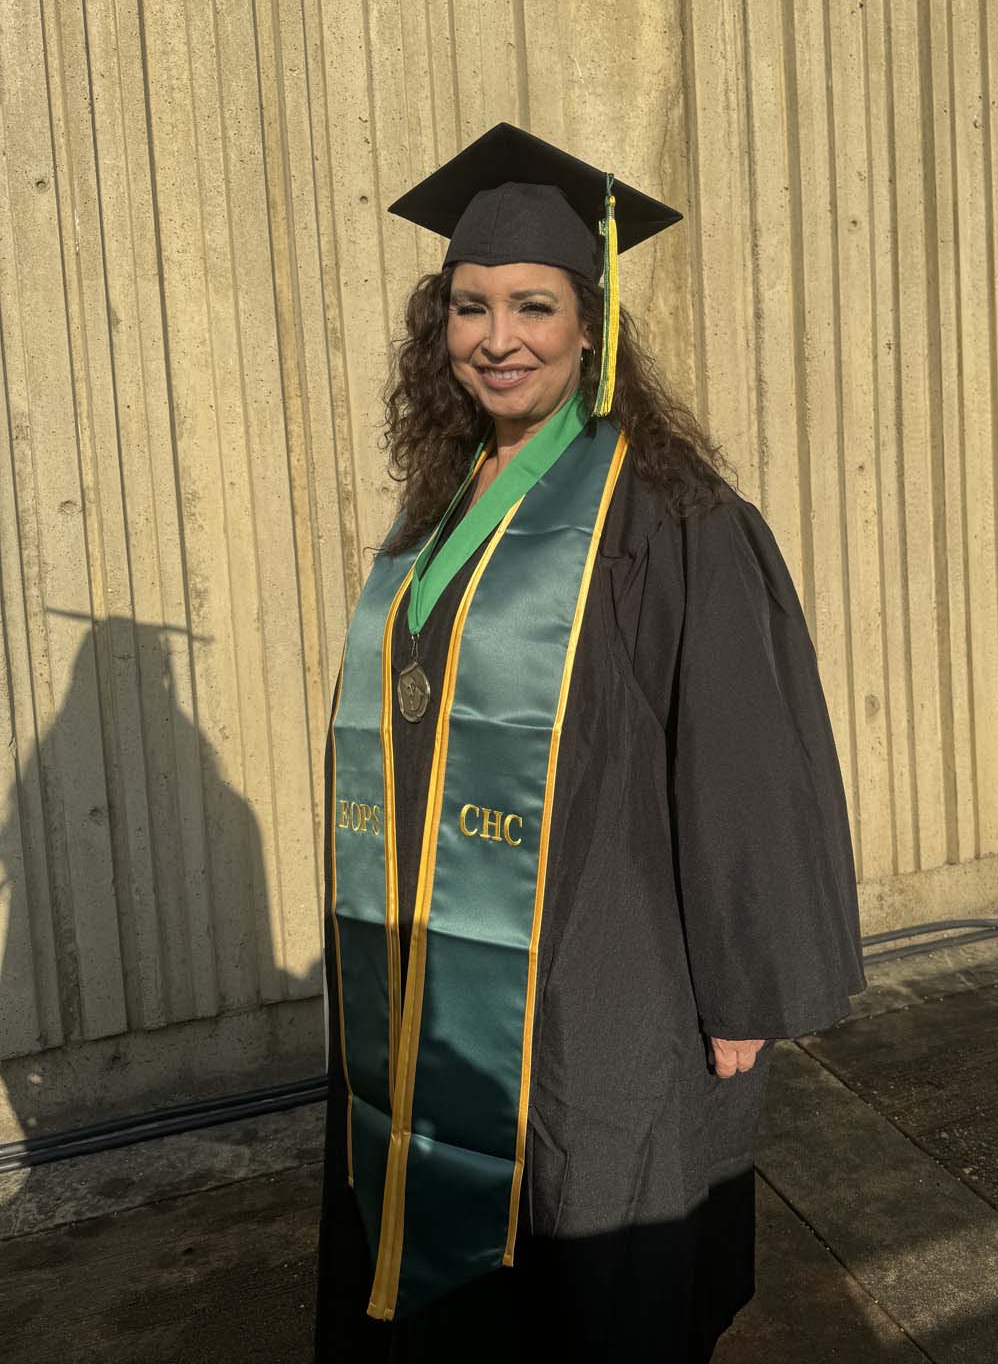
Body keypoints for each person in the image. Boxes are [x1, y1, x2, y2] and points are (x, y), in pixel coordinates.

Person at [314, 123, 867, 1363]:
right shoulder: (435, 513)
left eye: (532, 305)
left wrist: (743, 992)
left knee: (588, 1253)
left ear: (590, 320)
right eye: (469, 307)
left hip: (607, 978)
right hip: (437, 986)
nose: (497, 338)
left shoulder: (673, 516)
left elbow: (741, 760)